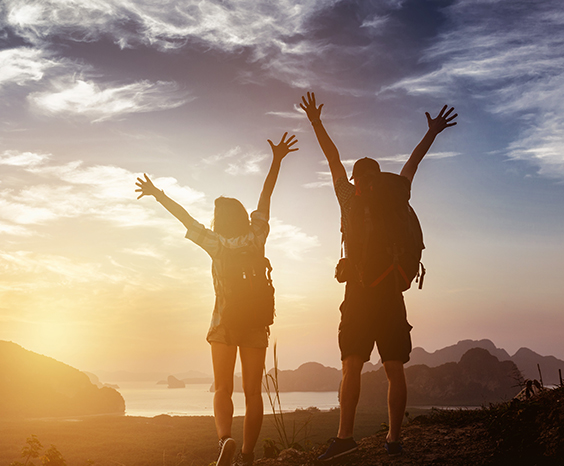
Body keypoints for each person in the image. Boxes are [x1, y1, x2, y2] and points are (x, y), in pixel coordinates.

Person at [298, 92, 457, 461]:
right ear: (378, 177)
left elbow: (332, 158)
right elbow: (413, 165)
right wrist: (432, 132)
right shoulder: (396, 192)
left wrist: (316, 122)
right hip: (391, 289)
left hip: (358, 291)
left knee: (351, 365)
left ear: (356, 180)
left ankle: (344, 437)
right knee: (394, 368)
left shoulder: (349, 198)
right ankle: (395, 440)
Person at [135, 133, 298, 466]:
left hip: (223, 322)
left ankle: (225, 439)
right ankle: (248, 457)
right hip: (256, 322)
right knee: (253, 393)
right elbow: (265, 197)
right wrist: (277, 160)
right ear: (241, 215)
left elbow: (183, 217)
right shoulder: (256, 237)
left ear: (218, 219)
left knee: (222, 388)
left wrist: (156, 194)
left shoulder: (215, 243)